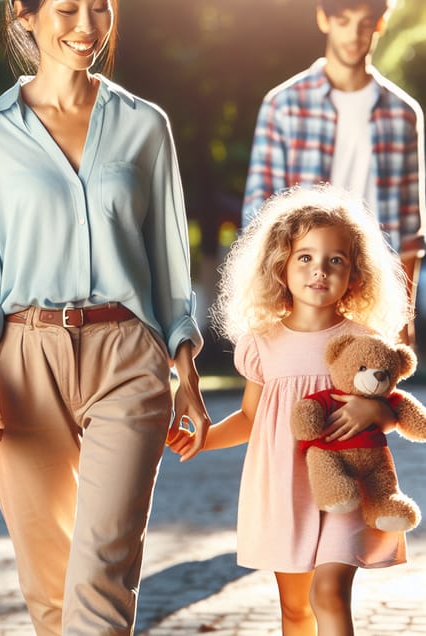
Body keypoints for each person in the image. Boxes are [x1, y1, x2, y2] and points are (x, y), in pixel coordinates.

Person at [0, 0, 211, 633]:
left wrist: (185, 373)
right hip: (22, 361)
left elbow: (168, 269)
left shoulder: (144, 127)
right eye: (67, 9)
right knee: (48, 584)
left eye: (100, 9)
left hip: (127, 358)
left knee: (100, 571)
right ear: (24, 15)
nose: (87, 27)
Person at [170, 185, 412, 635]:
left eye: (335, 260)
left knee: (329, 592)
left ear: (355, 274)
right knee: (296, 609)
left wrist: (374, 414)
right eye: (305, 257)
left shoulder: (365, 341)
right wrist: (203, 440)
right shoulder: (263, 343)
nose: (319, 270)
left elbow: (395, 408)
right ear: (281, 266)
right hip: (285, 488)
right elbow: (250, 418)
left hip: (349, 485)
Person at [243, 0, 425, 341]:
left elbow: (410, 231)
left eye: (365, 23)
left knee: (370, 402)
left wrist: (403, 317)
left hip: (371, 298)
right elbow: (260, 216)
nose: (354, 35)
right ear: (324, 20)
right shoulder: (284, 104)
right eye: (343, 20)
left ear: (379, 24)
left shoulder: (403, 113)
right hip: (304, 298)